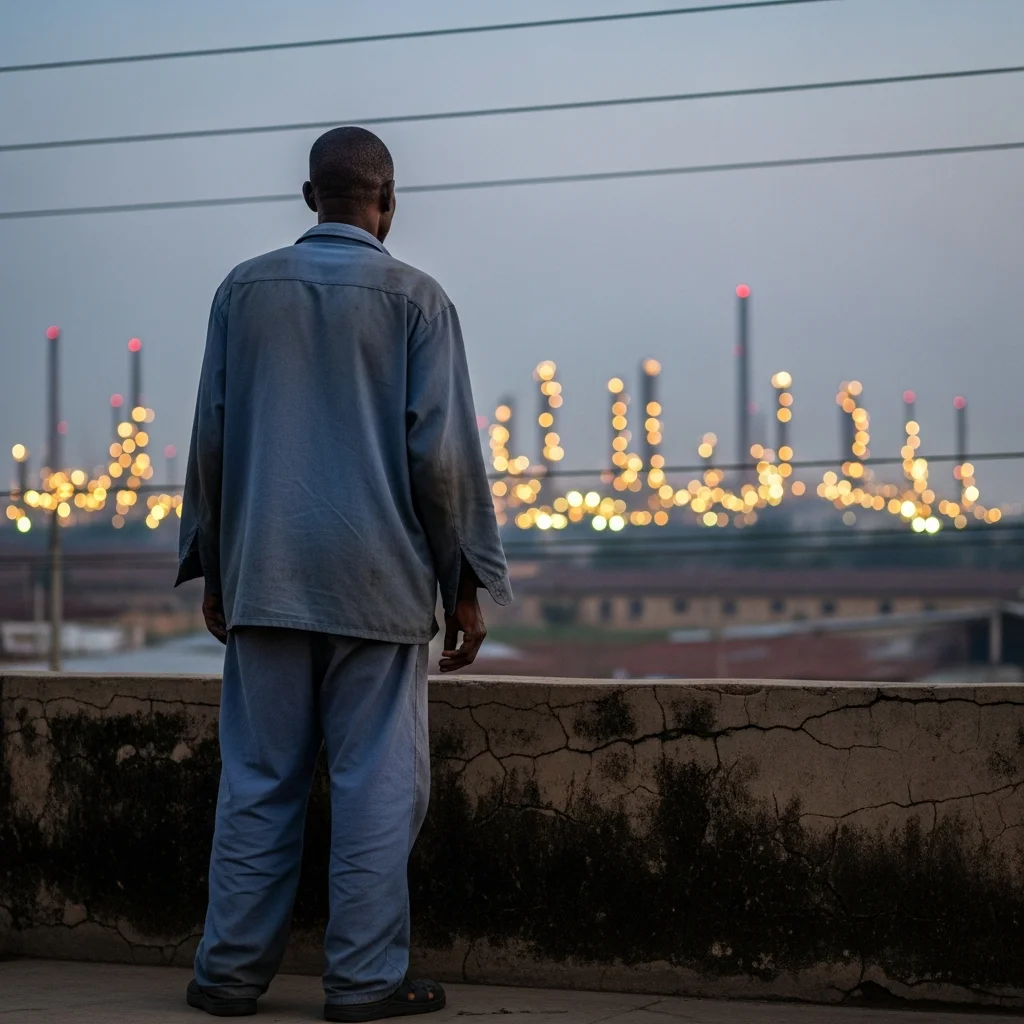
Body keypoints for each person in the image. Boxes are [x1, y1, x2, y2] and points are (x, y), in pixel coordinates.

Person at [176, 126, 511, 1020]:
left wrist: (213, 565)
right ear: (388, 201)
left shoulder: (241, 293)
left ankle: (228, 975)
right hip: (379, 582)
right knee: (375, 785)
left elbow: (211, 439)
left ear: (308, 196)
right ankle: (364, 981)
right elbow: (440, 459)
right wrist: (466, 584)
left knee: (256, 781)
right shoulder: (418, 300)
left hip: (266, 574)